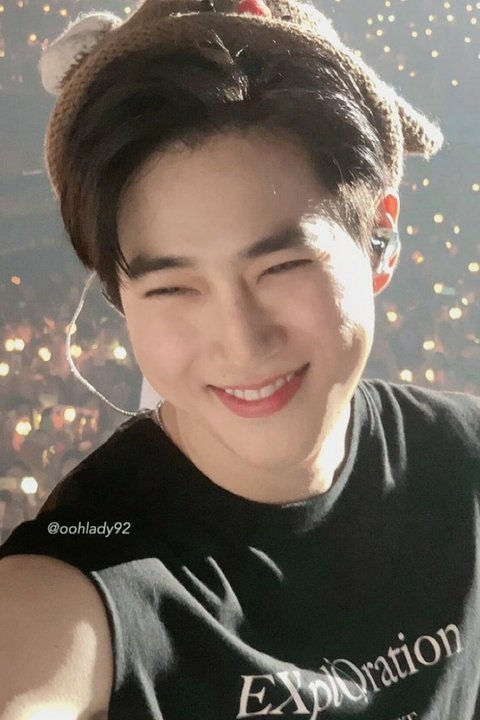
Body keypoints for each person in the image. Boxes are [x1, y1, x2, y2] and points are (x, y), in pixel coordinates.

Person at [0, 0, 479, 718]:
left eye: (281, 267)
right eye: (171, 287)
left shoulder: (463, 458)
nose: (242, 342)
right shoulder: (88, 566)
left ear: (379, 239)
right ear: (119, 297)